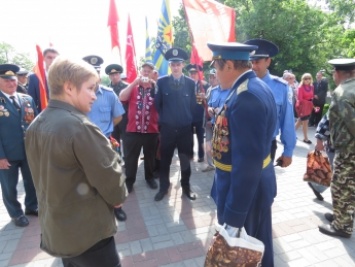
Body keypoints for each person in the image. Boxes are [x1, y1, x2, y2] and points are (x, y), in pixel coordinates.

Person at [25, 57, 127, 266]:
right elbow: (110, 180)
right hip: (89, 234)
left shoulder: (36, 124)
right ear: (69, 88)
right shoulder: (79, 126)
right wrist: (118, 196)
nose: (94, 96)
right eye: (90, 88)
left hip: (60, 231)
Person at [207, 42, 277, 267]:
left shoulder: (246, 97)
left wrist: (235, 216)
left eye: (217, 68)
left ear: (228, 65)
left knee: (243, 254)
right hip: (251, 189)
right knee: (257, 250)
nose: (215, 74)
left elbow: (247, 164)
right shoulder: (251, 87)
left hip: (244, 194)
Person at [84, 55, 127, 222]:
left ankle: (117, 207)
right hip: (84, 144)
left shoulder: (108, 94)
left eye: (96, 72)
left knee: (113, 177)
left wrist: (106, 129)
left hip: (106, 142)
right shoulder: (75, 95)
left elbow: (118, 117)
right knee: (87, 179)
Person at [244, 38, 296, 167]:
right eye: (251, 62)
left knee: (263, 185)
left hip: (266, 146)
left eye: (257, 62)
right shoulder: (240, 84)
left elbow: (287, 121)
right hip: (241, 145)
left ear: (268, 61)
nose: (254, 66)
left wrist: (288, 151)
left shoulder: (281, 87)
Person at [154, 47, 197, 201]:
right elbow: (157, 105)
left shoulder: (191, 84)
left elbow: (193, 105)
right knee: (165, 160)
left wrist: (187, 120)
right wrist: (167, 120)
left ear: (183, 65)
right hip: (168, 130)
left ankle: (186, 187)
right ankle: (163, 188)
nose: (176, 67)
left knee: (185, 160)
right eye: (173, 64)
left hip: (185, 130)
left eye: (178, 64)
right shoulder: (161, 82)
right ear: (170, 66)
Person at [318, 58, 355, 239]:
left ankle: (342, 226)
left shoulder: (342, 93)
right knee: (348, 186)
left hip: (348, 150)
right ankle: (342, 215)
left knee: (340, 186)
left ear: (338, 73)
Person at [0, 64, 38, 227]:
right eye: (6, 80)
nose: (11, 82)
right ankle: (16, 213)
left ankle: (32, 206)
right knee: (10, 187)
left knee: (32, 182)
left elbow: (36, 125)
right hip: (7, 154)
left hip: (28, 151)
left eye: (13, 79)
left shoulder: (27, 99)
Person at [119, 61, 159, 193]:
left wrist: (155, 84)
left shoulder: (155, 88)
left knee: (150, 157)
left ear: (153, 74)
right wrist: (134, 83)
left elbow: (163, 102)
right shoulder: (133, 88)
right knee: (131, 158)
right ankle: (129, 181)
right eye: (144, 70)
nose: (146, 73)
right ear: (140, 72)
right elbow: (121, 97)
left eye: (149, 71)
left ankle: (149, 178)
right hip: (133, 130)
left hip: (151, 130)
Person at [307, 111, 334, 201]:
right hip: (336, 149)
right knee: (339, 175)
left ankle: (317, 185)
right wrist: (319, 141)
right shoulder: (341, 102)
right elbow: (326, 123)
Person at [105, 64, 129, 160]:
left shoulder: (127, 87)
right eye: (112, 75)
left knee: (127, 142)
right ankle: (117, 160)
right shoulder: (106, 89)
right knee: (114, 141)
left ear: (119, 74)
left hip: (125, 118)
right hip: (112, 120)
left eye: (116, 74)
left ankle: (128, 161)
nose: (114, 77)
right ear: (109, 76)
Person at [186, 64, 208, 162]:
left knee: (200, 136)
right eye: (191, 73)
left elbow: (210, 99)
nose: (193, 75)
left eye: (195, 73)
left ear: (198, 74)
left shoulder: (204, 85)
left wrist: (205, 97)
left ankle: (201, 155)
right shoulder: (185, 84)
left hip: (200, 115)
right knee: (189, 137)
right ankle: (190, 154)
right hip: (188, 114)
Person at [28, 47, 59, 112]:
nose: (53, 60)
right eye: (49, 57)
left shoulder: (65, 76)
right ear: (43, 58)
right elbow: (31, 101)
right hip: (43, 115)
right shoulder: (34, 78)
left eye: (55, 58)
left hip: (63, 115)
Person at [202, 69, 219, 172]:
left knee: (218, 144)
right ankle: (210, 164)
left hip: (216, 123)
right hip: (207, 121)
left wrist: (211, 119)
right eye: (210, 77)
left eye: (213, 77)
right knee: (208, 143)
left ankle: (218, 163)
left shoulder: (222, 90)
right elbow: (204, 104)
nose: (211, 79)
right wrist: (201, 99)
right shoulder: (209, 89)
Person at [295, 73, 314, 144]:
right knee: (305, 122)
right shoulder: (300, 87)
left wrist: (311, 102)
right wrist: (308, 102)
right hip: (302, 106)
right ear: (303, 79)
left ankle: (289, 135)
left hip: (309, 106)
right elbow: (300, 99)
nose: (307, 80)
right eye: (305, 78)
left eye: (309, 78)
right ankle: (306, 138)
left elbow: (312, 96)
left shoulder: (311, 87)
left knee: (300, 121)